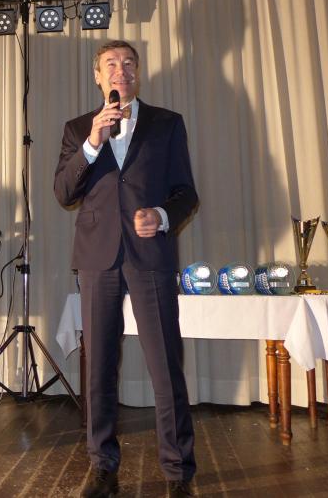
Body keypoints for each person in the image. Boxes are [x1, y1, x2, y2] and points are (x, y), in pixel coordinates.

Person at [54, 40, 199, 498]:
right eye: (111, 64)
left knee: (165, 365)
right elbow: (64, 192)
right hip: (97, 257)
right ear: (98, 76)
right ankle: (102, 467)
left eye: (129, 63)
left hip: (150, 255)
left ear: (138, 72)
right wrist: (92, 143)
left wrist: (162, 214)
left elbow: (186, 193)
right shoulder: (78, 128)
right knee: (99, 367)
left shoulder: (167, 123)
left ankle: (178, 472)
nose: (121, 70)